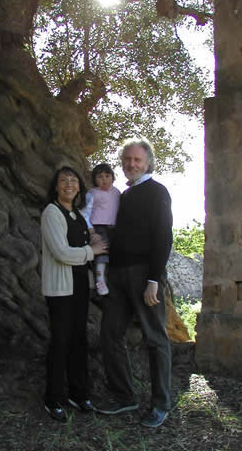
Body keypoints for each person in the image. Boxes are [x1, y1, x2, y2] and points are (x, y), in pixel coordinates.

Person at [97, 138, 173, 428]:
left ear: (148, 162)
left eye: (137, 160)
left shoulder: (157, 192)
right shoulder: (123, 195)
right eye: (127, 160)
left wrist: (154, 279)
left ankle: (161, 404)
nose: (131, 164)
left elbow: (163, 238)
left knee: (155, 338)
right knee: (109, 335)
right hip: (117, 276)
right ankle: (124, 396)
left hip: (144, 276)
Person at [41, 165, 108, 422]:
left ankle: (79, 394)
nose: (69, 184)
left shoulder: (79, 216)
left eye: (73, 180)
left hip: (81, 287)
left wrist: (95, 247)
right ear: (56, 187)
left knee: (79, 341)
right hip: (60, 290)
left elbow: (88, 244)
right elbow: (61, 252)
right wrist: (93, 251)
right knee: (60, 342)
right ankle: (53, 398)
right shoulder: (51, 213)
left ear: (79, 186)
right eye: (63, 180)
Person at [81, 163, 121, 296]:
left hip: (114, 228)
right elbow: (85, 213)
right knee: (101, 250)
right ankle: (99, 279)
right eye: (100, 177)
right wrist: (90, 229)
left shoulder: (117, 193)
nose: (104, 179)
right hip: (98, 226)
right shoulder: (93, 193)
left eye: (107, 176)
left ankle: (111, 279)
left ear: (113, 177)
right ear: (94, 179)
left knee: (114, 252)